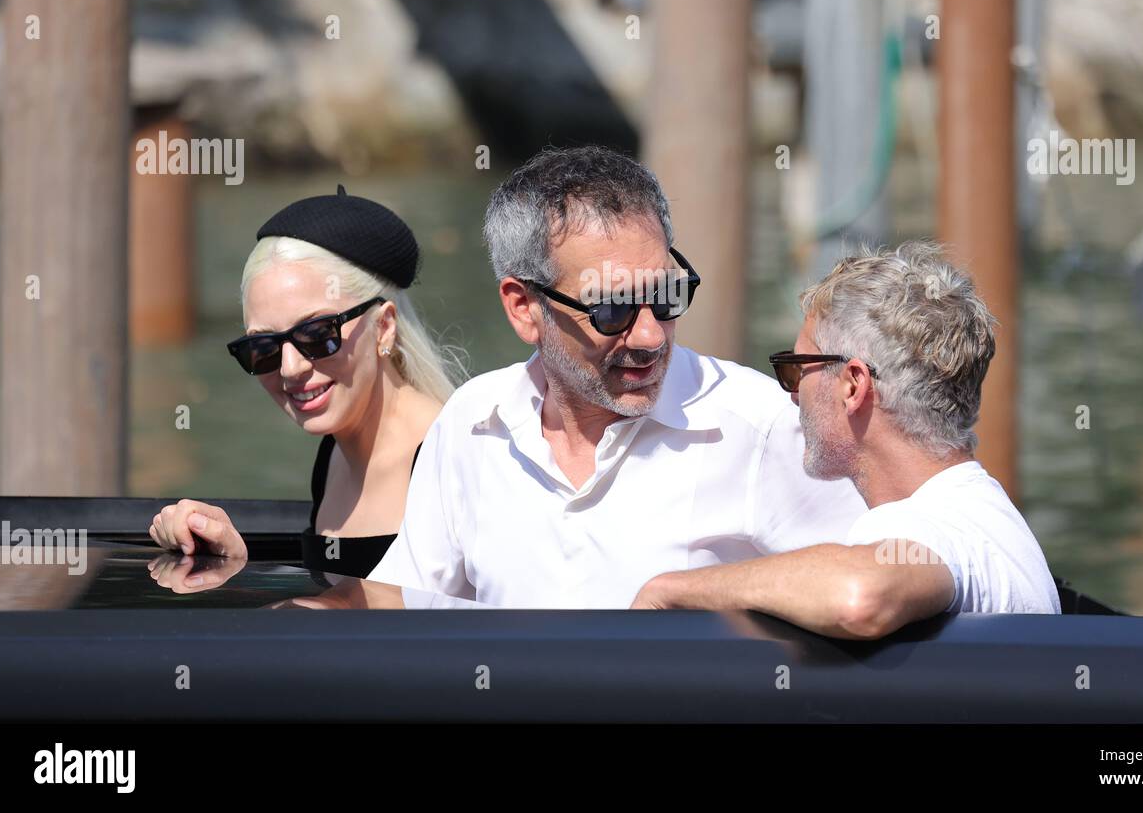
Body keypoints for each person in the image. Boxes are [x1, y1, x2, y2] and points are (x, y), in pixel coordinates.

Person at [368, 146, 866, 605]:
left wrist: (691, 592)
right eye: (612, 308)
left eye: (667, 294)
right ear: (524, 309)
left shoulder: (761, 427)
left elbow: (876, 578)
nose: (650, 335)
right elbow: (408, 606)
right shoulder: (472, 423)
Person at [631, 241, 1061, 635]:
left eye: (796, 368)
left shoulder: (928, 524)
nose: (792, 392)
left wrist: (672, 589)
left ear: (853, 385)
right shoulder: (978, 515)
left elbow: (859, 596)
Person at [147, 186, 463, 583]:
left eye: (318, 333)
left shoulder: (454, 460)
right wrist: (230, 561)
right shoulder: (333, 456)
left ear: (384, 327)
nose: (291, 368)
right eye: (262, 348)